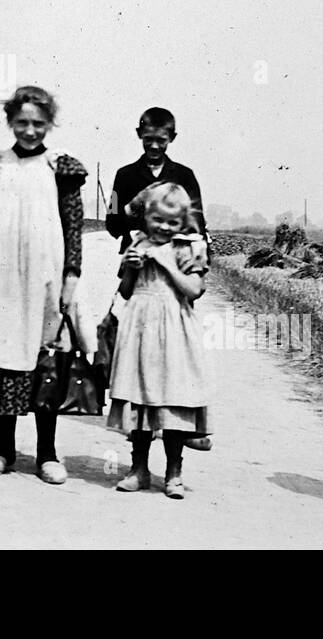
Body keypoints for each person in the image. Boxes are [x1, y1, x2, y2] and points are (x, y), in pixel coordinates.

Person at [0, 85, 87, 485]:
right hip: (0, 276)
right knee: (2, 356)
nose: (29, 131)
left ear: (50, 123)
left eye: (38, 123)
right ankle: (3, 449)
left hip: (45, 277)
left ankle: (47, 454)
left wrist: (72, 275)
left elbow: (73, 227)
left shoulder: (60, 167)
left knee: (46, 360)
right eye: (22, 123)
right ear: (9, 122)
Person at [108, 183, 213, 499]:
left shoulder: (186, 247)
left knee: (172, 399)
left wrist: (165, 262)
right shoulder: (137, 244)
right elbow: (126, 291)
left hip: (173, 329)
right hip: (140, 327)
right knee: (139, 399)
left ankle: (173, 473)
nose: (164, 227)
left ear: (182, 222)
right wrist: (130, 267)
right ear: (146, 217)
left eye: (172, 222)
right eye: (158, 220)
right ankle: (138, 469)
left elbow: (194, 290)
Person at [105, 107, 207, 251]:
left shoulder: (185, 176)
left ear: (172, 137)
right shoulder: (123, 175)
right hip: (136, 259)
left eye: (161, 140)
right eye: (148, 139)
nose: (154, 146)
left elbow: (197, 221)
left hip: (175, 257)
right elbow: (111, 223)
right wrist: (134, 204)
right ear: (139, 134)